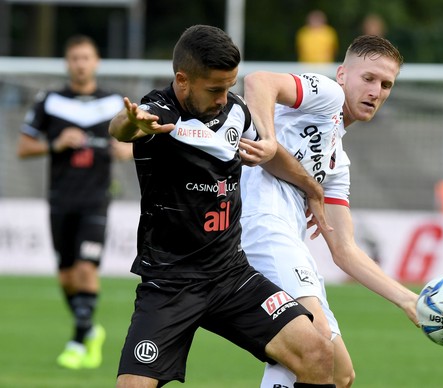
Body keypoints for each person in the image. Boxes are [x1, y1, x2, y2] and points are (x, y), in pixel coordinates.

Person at [108, 24, 336, 388]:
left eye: (229, 86)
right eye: (215, 88)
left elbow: (267, 155)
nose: (223, 97)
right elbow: (124, 128)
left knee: (319, 355)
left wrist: (312, 188)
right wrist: (128, 123)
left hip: (232, 276)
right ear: (182, 80)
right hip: (171, 284)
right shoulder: (159, 113)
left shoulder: (235, 111)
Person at [240, 35, 419, 387]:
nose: (376, 91)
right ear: (342, 75)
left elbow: (345, 249)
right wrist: (269, 139)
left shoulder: (338, 165)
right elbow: (258, 81)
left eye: (386, 85)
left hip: (289, 241)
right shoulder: (327, 93)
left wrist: (407, 299)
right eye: (368, 79)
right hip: (261, 222)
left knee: (340, 373)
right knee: (313, 339)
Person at [17, 34, 132, 370]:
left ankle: (79, 340)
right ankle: (88, 329)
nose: (80, 64)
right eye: (74, 58)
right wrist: (55, 143)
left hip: (96, 198)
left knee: (85, 269)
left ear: (96, 62)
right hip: (59, 198)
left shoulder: (114, 103)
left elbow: (137, 141)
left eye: (86, 58)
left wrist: (127, 148)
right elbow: (23, 147)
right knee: (66, 276)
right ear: (68, 63)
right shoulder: (50, 100)